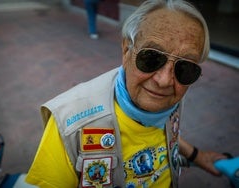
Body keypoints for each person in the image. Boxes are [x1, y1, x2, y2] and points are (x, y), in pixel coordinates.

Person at [25, 0, 227, 187]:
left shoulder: (171, 97)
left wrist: (196, 156)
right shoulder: (69, 123)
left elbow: (159, 130)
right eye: (151, 57)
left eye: (185, 68)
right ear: (126, 49)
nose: (164, 81)